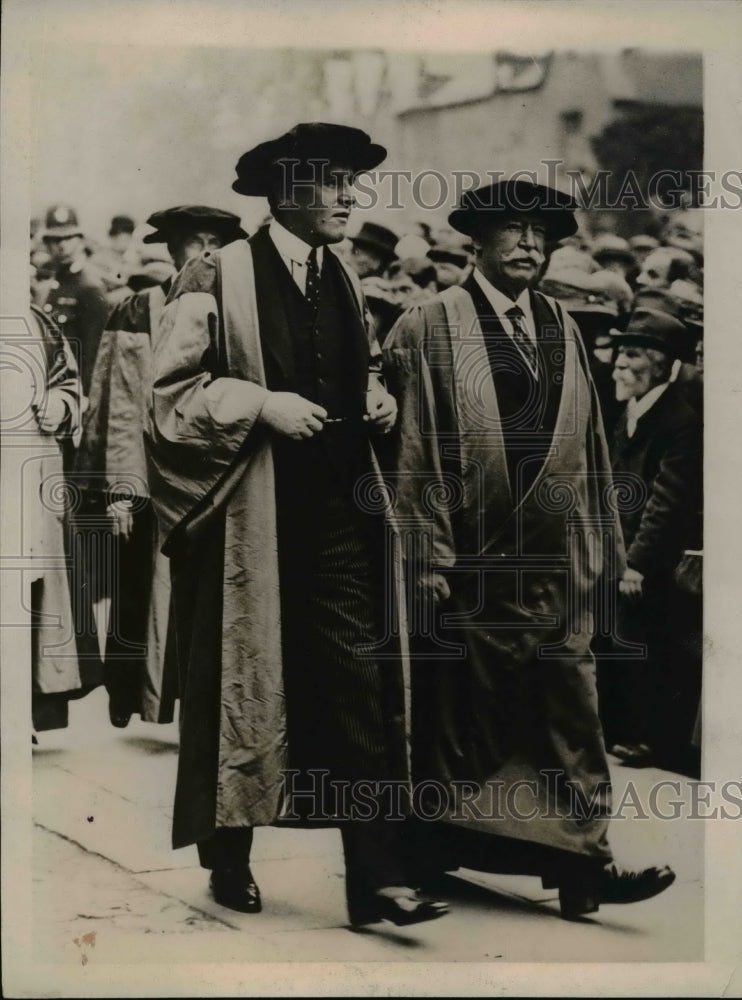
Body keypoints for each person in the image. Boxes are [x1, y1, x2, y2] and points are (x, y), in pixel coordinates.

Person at [145, 122, 448, 928]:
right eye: (334, 184)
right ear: (288, 192)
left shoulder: (342, 275)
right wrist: (258, 402)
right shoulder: (217, 272)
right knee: (244, 685)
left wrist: (376, 396)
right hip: (251, 516)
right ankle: (230, 856)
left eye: (353, 182)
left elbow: (365, 365)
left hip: (341, 516)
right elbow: (171, 393)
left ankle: (375, 879)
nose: (351, 197)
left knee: (355, 686)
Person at [382, 178, 676, 920]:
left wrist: (603, 546)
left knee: (572, 709)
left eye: (542, 234)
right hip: (471, 561)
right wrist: (430, 559)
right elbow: (416, 450)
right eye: (513, 231)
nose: (529, 245)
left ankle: (584, 864)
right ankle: (434, 851)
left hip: (556, 564)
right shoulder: (431, 324)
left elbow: (591, 446)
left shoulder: (561, 325)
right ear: (475, 242)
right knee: (459, 719)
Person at [75, 206, 248, 729]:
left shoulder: (241, 306)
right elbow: (122, 400)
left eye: (214, 242)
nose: (203, 252)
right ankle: (151, 701)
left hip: (224, 478)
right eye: (192, 242)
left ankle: (211, 713)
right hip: (154, 480)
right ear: (172, 250)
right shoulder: (139, 309)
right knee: (149, 596)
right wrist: (125, 490)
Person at [607, 308, 702, 771]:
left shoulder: (680, 420)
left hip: (651, 562)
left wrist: (638, 563)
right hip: (613, 549)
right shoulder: (623, 409)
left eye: (633, 355)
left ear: (663, 365)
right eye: (620, 354)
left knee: (649, 647)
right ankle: (617, 729)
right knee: (617, 640)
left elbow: (667, 498)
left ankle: (649, 740)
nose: (620, 365)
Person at [1, 307, 86, 734]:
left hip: (30, 478)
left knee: (28, 590)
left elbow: (68, 380)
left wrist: (62, 404)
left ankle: (21, 710)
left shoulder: (32, 316)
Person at [39, 204, 110, 398]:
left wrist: (83, 398)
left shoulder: (90, 288)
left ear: (80, 240)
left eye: (68, 238)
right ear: (47, 243)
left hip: (74, 392)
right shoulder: (49, 286)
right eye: (55, 239)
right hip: (48, 388)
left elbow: (94, 356)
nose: (62, 245)